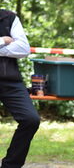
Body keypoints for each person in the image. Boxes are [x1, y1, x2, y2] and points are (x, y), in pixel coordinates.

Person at [0, 9, 40, 168]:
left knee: (31, 120)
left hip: (10, 80)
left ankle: (10, 166)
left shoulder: (9, 17)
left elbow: (23, 49)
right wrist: (3, 40)